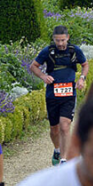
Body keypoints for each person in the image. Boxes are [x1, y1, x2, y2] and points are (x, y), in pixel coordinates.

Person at [29, 25, 89, 165]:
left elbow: (85, 64)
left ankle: (64, 159)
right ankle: (57, 149)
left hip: (69, 94)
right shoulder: (48, 51)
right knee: (54, 129)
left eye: (63, 40)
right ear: (53, 39)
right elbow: (33, 66)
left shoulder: (74, 50)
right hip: (52, 95)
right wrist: (43, 76)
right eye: (57, 40)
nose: (60, 44)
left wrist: (81, 78)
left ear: (67, 38)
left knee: (64, 125)